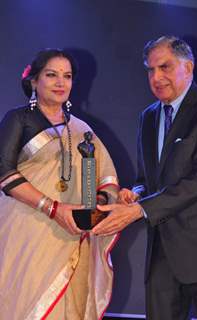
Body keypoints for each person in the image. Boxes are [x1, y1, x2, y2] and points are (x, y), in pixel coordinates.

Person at [92, 36, 197, 319]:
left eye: (165, 67)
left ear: (189, 67)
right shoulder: (148, 117)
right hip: (160, 252)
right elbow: (147, 177)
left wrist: (139, 209)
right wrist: (135, 192)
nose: (156, 77)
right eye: (150, 70)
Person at [0, 48, 119, 320]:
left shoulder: (82, 130)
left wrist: (94, 209)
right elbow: (3, 171)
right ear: (34, 81)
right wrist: (54, 209)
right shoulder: (19, 119)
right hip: (26, 231)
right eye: (51, 75)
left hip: (72, 235)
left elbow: (103, 179)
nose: (60, 82)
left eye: (67, 76)